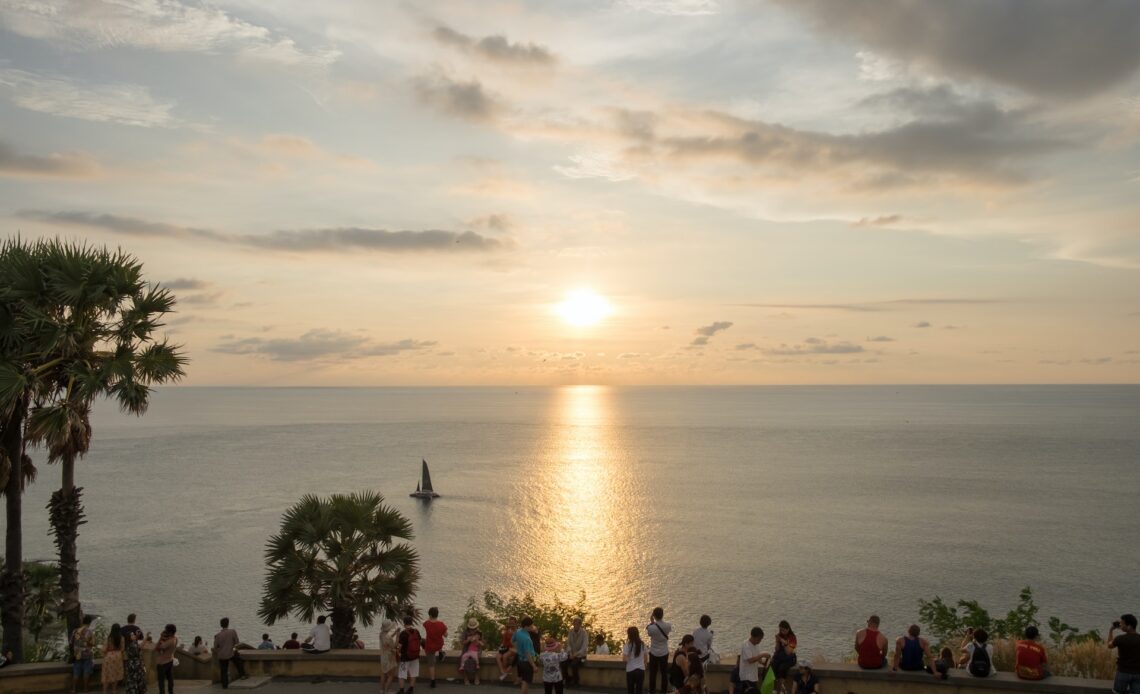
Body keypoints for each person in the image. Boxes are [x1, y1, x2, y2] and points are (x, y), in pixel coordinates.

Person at [1109, 613, 1140, 694]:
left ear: (1129, 626)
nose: (1120, 625)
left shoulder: (1120, 639)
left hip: (1123, 672)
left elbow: (1109, 645)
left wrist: (1111, 630)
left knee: (1118, 692)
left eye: (1122, 623)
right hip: (1138, 673)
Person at [214, 617, 247, 688]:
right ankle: (242, 675)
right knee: (239, 662)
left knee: (223, 671)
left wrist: (219, 651)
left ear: (221, 625)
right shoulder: (232, 632)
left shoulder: (218, 635)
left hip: (221, 655)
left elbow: (215, 647)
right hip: (230, 653)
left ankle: (224, 685)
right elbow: (237, 642)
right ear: (228, 624)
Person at [647, 607, 672, 694]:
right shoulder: (668, 625)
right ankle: (663, 691)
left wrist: (651, 622)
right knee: (664, 673)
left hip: (653, 652)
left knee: (652, 674)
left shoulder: (651, 627)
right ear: (662, 615)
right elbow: (667, 630)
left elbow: (650, 633)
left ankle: (652, 691)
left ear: (654, 615)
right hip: (664, 652)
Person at [737, 627, 769, 694]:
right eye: (759, 639)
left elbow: (757, 658)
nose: (760, 641)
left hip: (753, 676)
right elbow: (750, 660)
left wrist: (764, 662)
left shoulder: (756, 645)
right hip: (746, 677)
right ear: (754, 637)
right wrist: (762, 655)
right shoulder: (746, 645)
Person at [71, 614, 97, 694]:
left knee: (76, 672)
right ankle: (85, 688)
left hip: (77, 653)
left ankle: (74, 689)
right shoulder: (90, 632)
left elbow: (71, 642)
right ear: (89, 623)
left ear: (82, 621)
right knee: (86, 671)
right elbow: (93, 643)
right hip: (87, 654)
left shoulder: (75, 631)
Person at [423, 607, 448, 689]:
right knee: (439, 642)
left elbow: (425, 623)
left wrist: (430, 618)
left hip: (430, 646)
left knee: (431, 665)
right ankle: (440, 652)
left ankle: (433, 681)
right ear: (437, 615)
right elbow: (446, 635)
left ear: (430, 615)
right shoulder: (441, 624)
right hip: (439, 645)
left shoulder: (426, 623)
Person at [398, 615, 423, 694]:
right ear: (412, 623)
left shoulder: (403, 633)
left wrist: (398, 652)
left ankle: (402, 690)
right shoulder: (417, 631)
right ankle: (411, 689)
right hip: (415, 656)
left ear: (404, 624)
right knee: (413, 673)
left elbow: (399, 646)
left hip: (405, 657)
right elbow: (420, 641)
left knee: (402, 674)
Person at [513, 617, 538, 694]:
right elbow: (528, 654)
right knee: (525, 683)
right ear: (526, 626)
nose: (532, 627)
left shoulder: (518, 631)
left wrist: (518, 649)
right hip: (527, 663)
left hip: (520, 660)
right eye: (531, 626)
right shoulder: (526, 639)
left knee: (525, 681)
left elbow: (513, 641)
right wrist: (534, 666)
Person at [771, 620, 798, 693]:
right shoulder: (779, 636)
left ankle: (781, 689)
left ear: (788, 629)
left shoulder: (792, 638)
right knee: (773, 666)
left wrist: (785, 643)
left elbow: (788, 652)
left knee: (782, 668)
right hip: (780, 657)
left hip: (790, 658)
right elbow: (777, 650)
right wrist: (777, 641)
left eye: (783, 630)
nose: (781, 631)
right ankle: (774, 689)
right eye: (780, 630)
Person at [155, 623, 179, 694]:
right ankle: (171, 692)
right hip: (170, 660)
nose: (166, 631)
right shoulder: (175, 639)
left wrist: (161, 637)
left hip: (162, 662)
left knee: (161, 681)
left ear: (170, 632)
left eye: (167, 630)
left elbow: (157, 647)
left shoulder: (169, 642)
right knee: (170, 678)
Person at [459, 618, 484, 685]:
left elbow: (482, 643)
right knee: (462, 658)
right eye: (471, 629)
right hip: (466, 649)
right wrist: (468, 640)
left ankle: (476, 677)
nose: (473, 630)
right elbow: (462, 642)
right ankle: (465, 678)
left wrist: (477, 641)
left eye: (474, 628)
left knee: (477, 659)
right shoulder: (465, 632)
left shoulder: (479, 632)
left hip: (476, 649)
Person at [624, 626, 648, 694]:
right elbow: (646, 656)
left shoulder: (627, 645)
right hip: (640, 670)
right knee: (639, 690)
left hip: (630, 670)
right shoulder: (642, 644)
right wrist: (644, 665)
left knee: (630, 690)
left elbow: (624, 659)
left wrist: (629, 657)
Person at [102, 623, 125, 694]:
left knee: (107, 674)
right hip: (118, 656)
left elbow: (104, 649)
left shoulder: (109, 638)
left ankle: (104, 691)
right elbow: (123, 649)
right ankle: (114, 690)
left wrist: (104, 653)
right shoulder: (122, 638)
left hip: (109, 656)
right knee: (116, 674)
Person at [565, 617, 589, 686]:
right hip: (571, 653)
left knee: (574, 664)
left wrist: (576, 654)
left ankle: (576, 680)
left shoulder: (584, 633)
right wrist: (570, 653)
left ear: (580, 625)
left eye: (577, 624)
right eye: (574, 624)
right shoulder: (570, 632)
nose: (576, 626)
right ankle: (567, 678)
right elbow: (568, 644)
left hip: (581, 655)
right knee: (563, 663)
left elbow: (584, 648)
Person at [123, 629, 147, 694]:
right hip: (135, 665)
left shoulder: (130, 644)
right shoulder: (132, 645)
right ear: (129, 637)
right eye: (132, 635)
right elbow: (138, 651)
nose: (134, 636)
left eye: (133, 634)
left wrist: (137, 635)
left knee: (133, 680)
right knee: (136, 679)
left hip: (131, 664)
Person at [380, 620, 399, 694]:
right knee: (391, 675)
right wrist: (397, 635)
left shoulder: (381, 634)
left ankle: (382, 690)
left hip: (383, 657)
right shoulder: (389, 638)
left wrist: (394, 633)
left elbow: (388, 638)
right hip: (390, 658)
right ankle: (387, 691)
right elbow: (395, 645)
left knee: (383, 674)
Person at [497, 616, 518, 682]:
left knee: (504, 656)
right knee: (498, 656)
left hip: (512, 648)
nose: (511, 624)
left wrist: (513, 634)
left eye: (512, 623)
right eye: (510, 623)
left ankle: (505, 672)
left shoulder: (517, 632)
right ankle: (503, 671)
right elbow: (504, 641)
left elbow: (516, 643)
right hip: (506, 647)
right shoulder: (506, 630)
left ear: (515, 623)